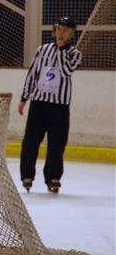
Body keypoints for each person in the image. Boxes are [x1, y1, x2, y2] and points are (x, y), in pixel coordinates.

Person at [18, 16, 81, 193]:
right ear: (55, 30)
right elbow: (33, 74)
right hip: (38, 103)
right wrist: (24, 98)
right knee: (30, 141)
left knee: (56, 143)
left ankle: (53, 177)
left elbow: (67, 71)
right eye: (60, 29)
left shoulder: (75, 54)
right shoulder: (42, 50)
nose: (62, 33)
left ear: (71, 34)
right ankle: (27, 175)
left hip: (59, 106)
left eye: (66, 30)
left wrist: (61, 51)